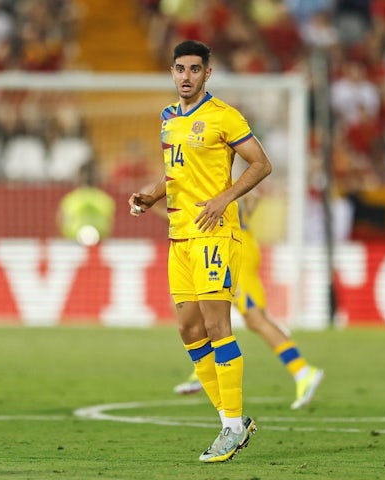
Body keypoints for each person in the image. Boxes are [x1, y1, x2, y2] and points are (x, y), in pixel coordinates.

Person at [128, 40, 272, 463]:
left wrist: (224, 198)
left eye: (194, 69)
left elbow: (261, 164)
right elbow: (176, 170)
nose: (186, 76)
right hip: (180, 236)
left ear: (207, 73)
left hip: (214, 233)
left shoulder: (224, 116)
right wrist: (153, 195)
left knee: (215, 326)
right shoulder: (168, 118)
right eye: (179, 69)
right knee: (189, 331)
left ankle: (230, 426)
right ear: (172, 73)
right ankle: (232, 421)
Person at [174, 191, 324, 410]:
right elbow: (252, 198)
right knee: (211, 311)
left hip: (231, 249)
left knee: (253, 318)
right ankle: (205, 370)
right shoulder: (220, 178)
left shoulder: (203, 176)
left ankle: (302, 370)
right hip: (234, 243)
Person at [58, 160, 115, 246]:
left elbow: (61, 220)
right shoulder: (104, 199)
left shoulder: (70, 199)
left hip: (77, 242)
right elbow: (109, 222)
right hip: (81, 242)